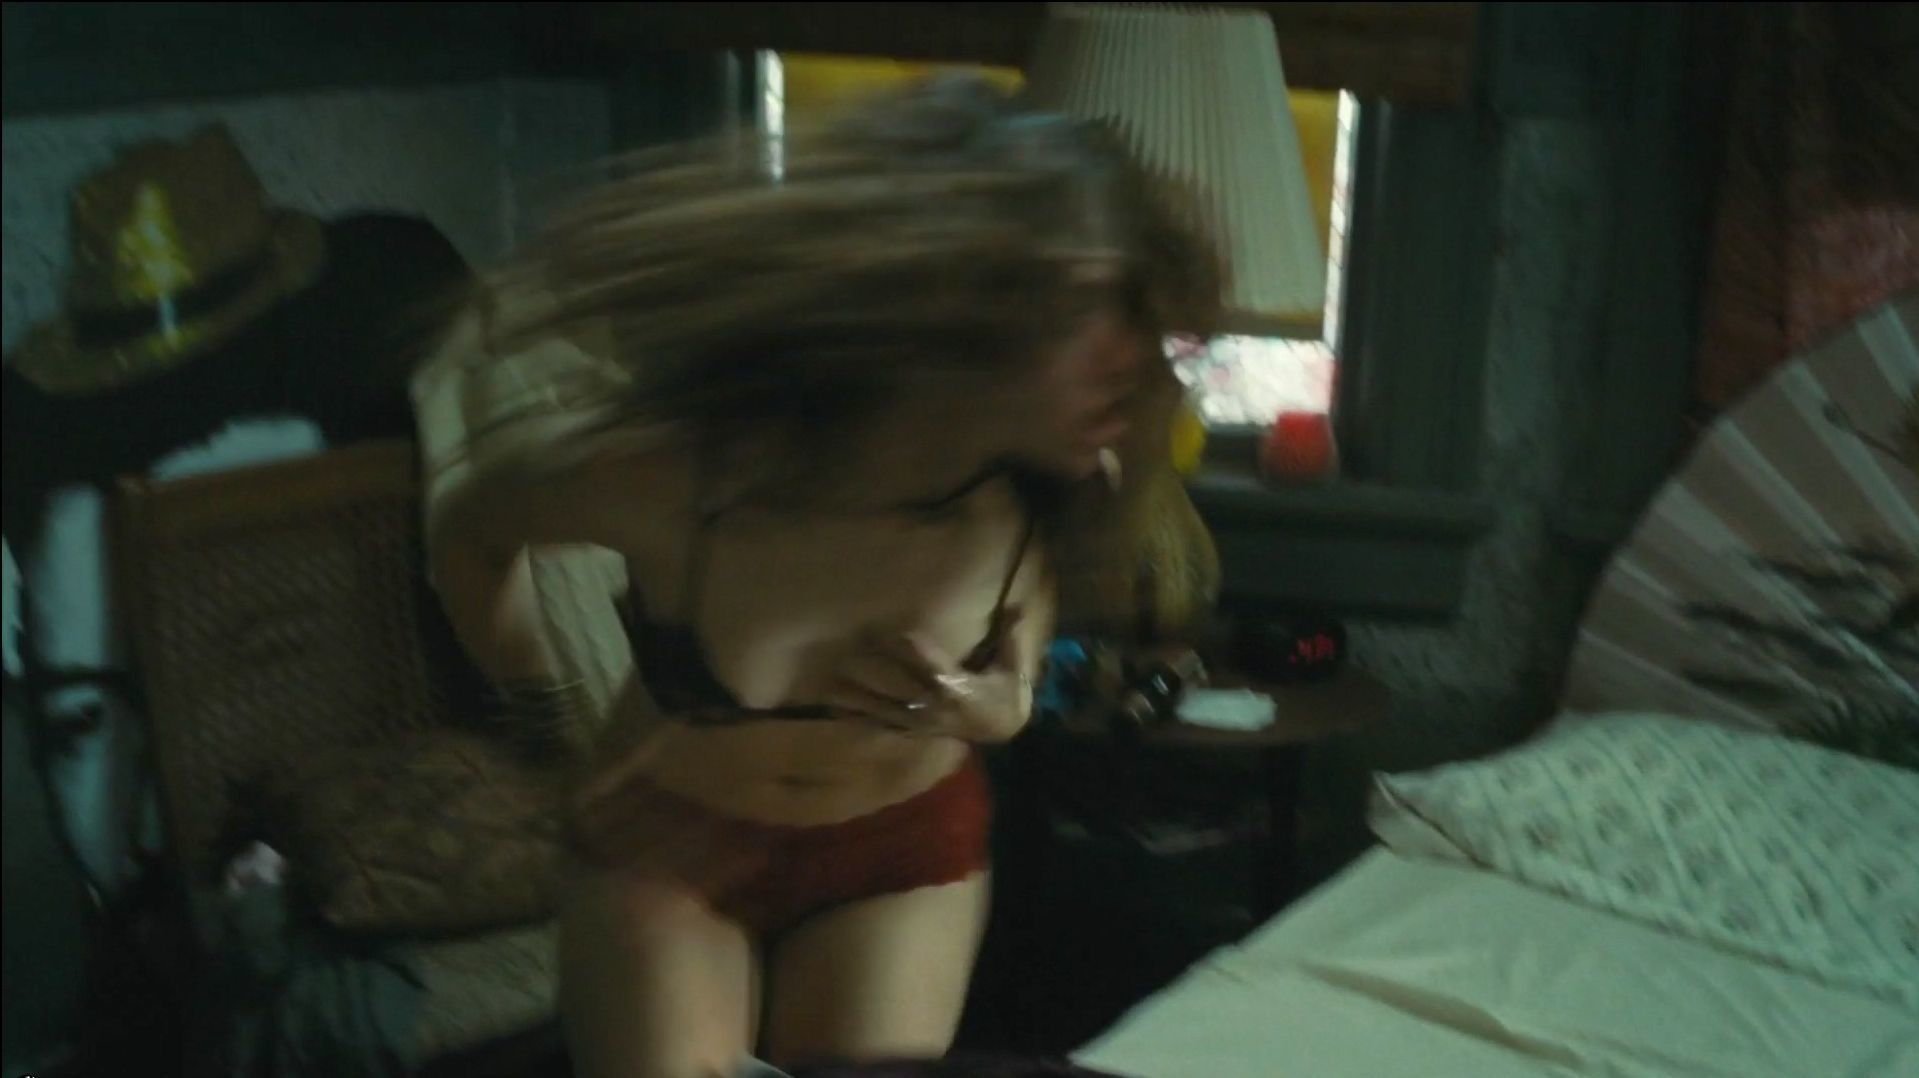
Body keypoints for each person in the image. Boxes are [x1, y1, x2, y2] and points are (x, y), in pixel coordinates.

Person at [411, 77, 1220, 1077]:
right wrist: (543, 722)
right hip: (667, 846)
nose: (1137, 360)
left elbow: (1019, 650)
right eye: (1094, 306)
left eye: (1143, 318)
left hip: (902, 857)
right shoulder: (679, 472)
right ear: (960, 300)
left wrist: (998, 706)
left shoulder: (1049, 482)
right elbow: (471, 529)